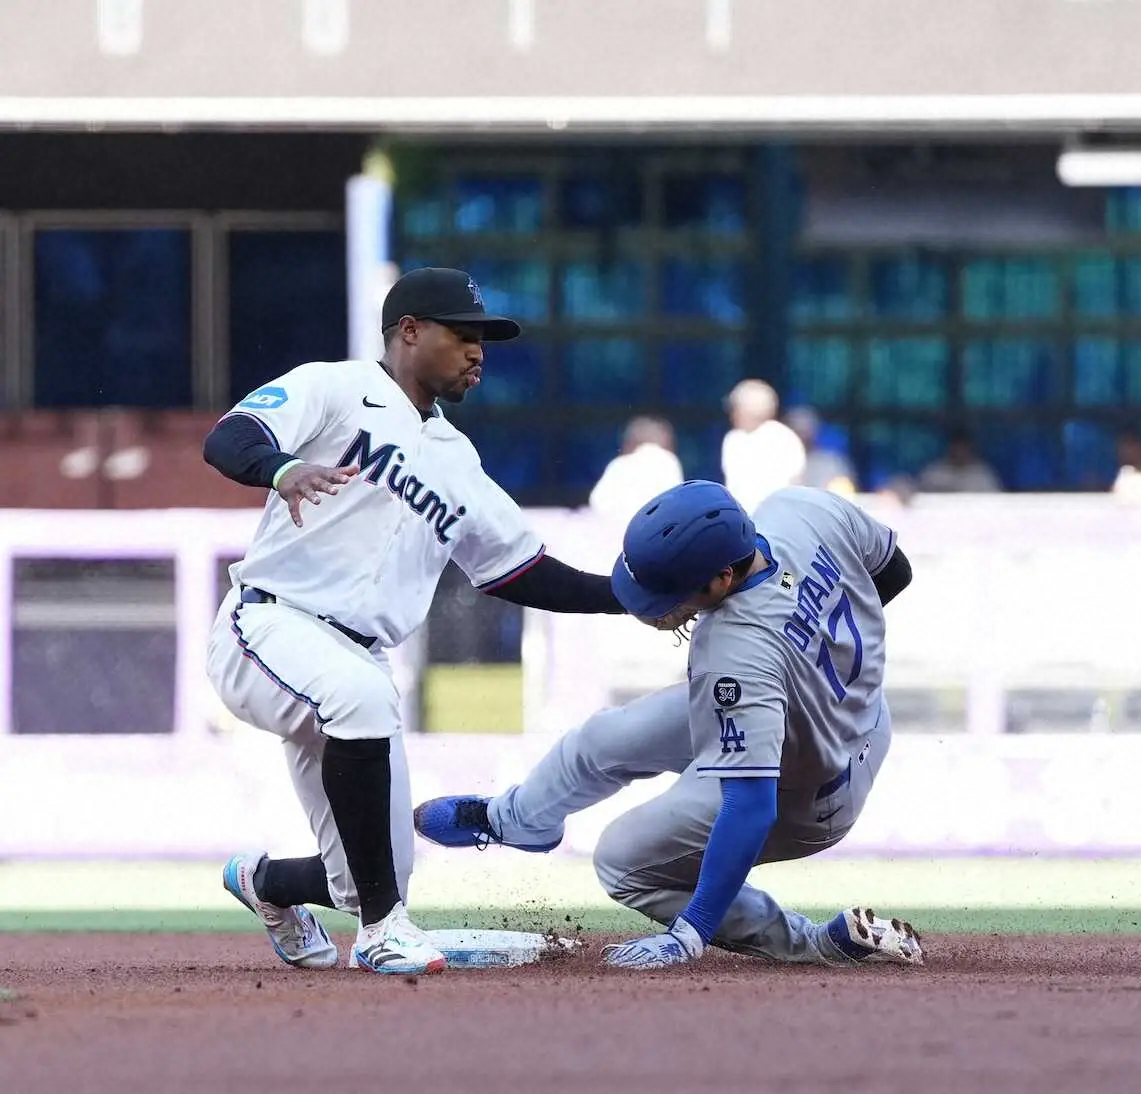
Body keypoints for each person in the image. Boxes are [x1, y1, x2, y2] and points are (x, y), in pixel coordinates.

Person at [203, 267, 625, 975]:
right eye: (464, 335)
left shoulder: (459, 462)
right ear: (409, 332)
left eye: (484, 340)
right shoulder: (336, 387)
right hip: (268, 627)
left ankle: (267, 884)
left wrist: (630, 598)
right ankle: (381, 933)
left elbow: (521, 571)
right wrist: (280, 471)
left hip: (355, 659)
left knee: (370, 873)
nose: (478, 351)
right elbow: (230, 438)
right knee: (362, 708)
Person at [414, 480, 922, 970]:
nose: (654, 610)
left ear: (723, 577)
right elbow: (893, 571)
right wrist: (810, 651)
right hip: (859, 718)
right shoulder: (804, 509)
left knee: (620, 862)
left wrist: (693, 929)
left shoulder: (736, 651)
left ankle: (806, 942)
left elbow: (750, 809)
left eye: (667, 595)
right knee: (601, 740)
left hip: (810, 790)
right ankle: (517, 821)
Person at [721, 379, 806, 514]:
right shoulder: (733, 439)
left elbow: (791, 489)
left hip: (776, 518)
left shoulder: (784, 439)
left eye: (736, 408)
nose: (732, 414)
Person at [588, 416, 684, 527]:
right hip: (653, 534)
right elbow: (676, 505)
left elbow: (596, 502)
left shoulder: (617, 464)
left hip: (614, 534)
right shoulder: (667, 460)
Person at [784, 406, 857, 495]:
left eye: (806, 430)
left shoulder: (831, 462)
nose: (803, 436)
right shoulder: (777, 462)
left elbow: (843, 494)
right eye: (798, 431)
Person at [917, 428, 1002, 493]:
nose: (960, 453)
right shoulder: (934, 473)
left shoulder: (983, 475)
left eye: (963, 448)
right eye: (957, 448)